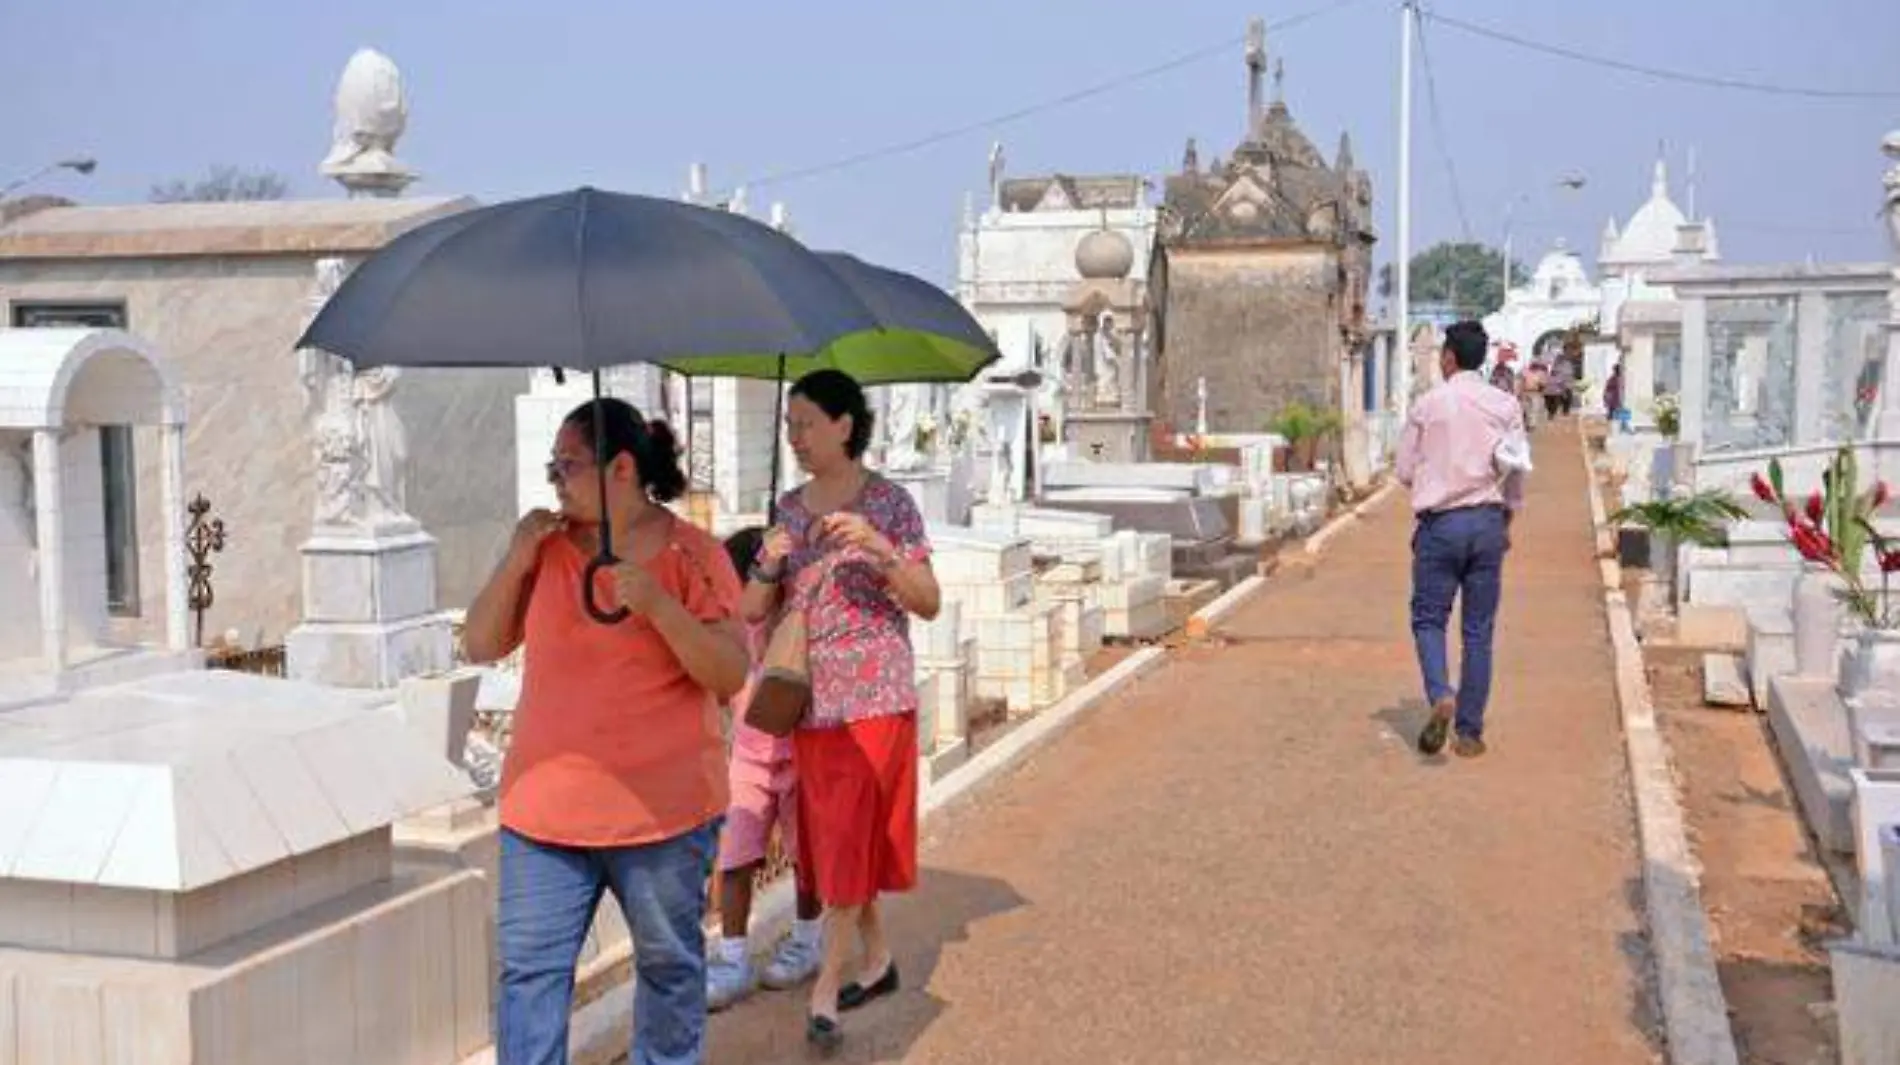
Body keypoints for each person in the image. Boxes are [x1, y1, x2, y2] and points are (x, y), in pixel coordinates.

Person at [465, 397, 748, 1065]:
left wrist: (655, 604)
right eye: (552, 466)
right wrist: (514, 557)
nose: (555, 481)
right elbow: (480, 641)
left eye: (567, 465)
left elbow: (728, 671)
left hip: (661, 815)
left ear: (621, 468)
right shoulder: (546, 550)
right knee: (529, 977)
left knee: (668, 968)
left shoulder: (692, 553)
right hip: (544, 813)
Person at [740, 369, 941, 1054]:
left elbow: (928, 598)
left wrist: (877, 548)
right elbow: (750, 609)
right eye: (789, 424)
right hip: (808, 698)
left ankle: (828, 983)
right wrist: (768, 564)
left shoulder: (891, 504)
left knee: (849, 832)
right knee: (832, 840)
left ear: (844, 425)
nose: (793, 436)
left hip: (877, 695)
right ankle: (878, 957)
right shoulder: (790, 508)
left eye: (805, 423)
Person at [705, 526, 827, 1010]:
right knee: (734, 858)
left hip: (801, 754)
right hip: (750, 759)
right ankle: (733, 955)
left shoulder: (802, 623)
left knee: (805, 858)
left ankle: (806, 939)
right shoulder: (738, 629)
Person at [1395, 320, 1528, 760]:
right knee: (1478, 631)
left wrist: (1438, 475)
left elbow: (1404, 471)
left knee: (1430, 618)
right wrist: (1507, 517)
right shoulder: (1505, 405)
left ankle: (1439, 692)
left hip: (1442, 524)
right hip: (1488, 522)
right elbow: (1517, 468)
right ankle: (1469, 730)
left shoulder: (1428, 405)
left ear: (1448, 357)